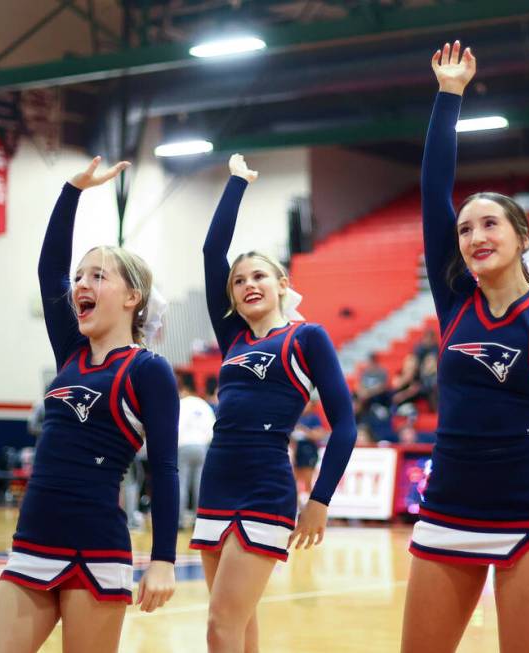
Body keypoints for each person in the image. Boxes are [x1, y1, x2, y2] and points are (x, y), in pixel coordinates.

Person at [402, 42, 529, 653]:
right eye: (465, 229)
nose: (474, 235)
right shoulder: (452, 302)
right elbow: (433, 189)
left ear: (521, 238)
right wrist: (449, 96)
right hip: (447, 509)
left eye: (489, 224)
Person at [0, 158, 179, 653]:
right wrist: (71, 190)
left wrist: (164, 559)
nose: (80, 285)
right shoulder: (71, 351)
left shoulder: (148, 370)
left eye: (97, 276)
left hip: (96, 548)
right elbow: (49, 272)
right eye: (79, 276)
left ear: (133, 296)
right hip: (32, 543)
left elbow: (167, 470)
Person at [193, 154, 356, 653]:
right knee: (239, 624)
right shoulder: (233, 337)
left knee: (221, 624)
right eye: (240, 282)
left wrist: (320, 500)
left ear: (283, 284)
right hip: (216, 482)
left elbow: (345, 426)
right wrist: (236, 184)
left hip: (265, 487)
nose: (248, 286)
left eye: (259, 276)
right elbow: (211, 251)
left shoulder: (308, 338)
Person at [177, 373, 216, 528]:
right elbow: (213, 428)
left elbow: (175, 427)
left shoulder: (182, 404)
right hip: (201, 447)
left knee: (182, 484)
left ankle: (179, 521)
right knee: (199, 484)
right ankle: (199, 520)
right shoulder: (203, 404)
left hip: (184, 446)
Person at [291, 399, 328, 499]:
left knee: (308, 480)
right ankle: (297, 503)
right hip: (296, 450)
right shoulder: (295, 417)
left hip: (308, 451)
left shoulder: (314, 418)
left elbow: (319, 435)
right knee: (293, 481)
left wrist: (305, 431)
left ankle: (309, 502)